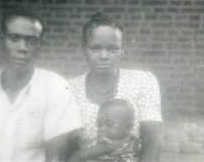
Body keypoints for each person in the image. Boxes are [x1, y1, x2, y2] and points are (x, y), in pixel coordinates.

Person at [0, 10, 82, 161]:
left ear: (40, 44)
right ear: (2, 40)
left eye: (31, 40)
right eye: (14, 38)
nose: (22, 48)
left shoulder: (55, 88)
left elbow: (56, 158)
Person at [69, 13, 162, 162]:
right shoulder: (70, 88)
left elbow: (151, 143)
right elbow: (67, 148)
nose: (104, 55)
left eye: (112, 48)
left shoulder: (142, 81)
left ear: (122, 48)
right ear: (83, 48)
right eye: (95, 48)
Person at [69, 98, 139, 162]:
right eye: (99, 124)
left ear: (128, 128)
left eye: (109, 124)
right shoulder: (134, 142)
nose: (102, 129)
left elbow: (81, 155)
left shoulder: (109, 144)